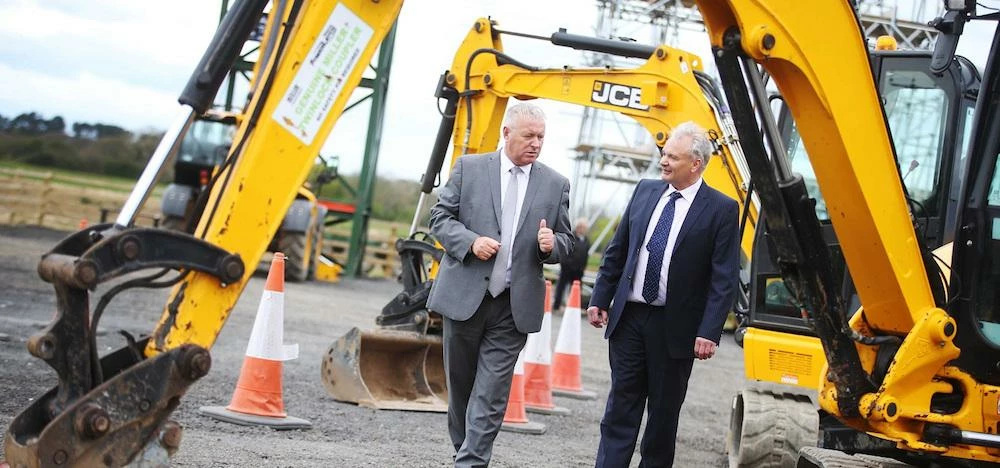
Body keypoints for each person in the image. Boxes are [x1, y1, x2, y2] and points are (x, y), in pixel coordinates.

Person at [426, 102, 573, 467]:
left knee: (491, 393)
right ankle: (464, 450)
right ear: (507, 133)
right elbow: (440, 218)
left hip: (513, 306)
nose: (536, 143)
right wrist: (470, 242)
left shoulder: (555, 184)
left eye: (541, 137)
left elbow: (567, 240)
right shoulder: (469, 169)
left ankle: (471, 462)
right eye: (529, 136)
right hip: (464, 297)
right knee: (461, 388)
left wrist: (552, 245)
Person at [586, 121, 739, 467]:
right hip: (630, 320)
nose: (664, 161)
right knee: (620, 407)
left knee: (662, 416)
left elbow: (724, 277)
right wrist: (599, 298)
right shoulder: (645, 190)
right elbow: (618, 249)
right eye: (664, 154)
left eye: (672, 156)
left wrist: (709, 331)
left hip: (676, 329)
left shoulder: (721, 209)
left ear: (695, 163)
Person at [552, 218, 591, 310]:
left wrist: (583, 267)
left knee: (576, 289)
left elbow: (585, 255)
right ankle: (556, 305)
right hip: (567, 268)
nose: (584, 230)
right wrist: (565, 264)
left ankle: (573, 307)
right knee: (561, 287)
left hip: (579, 270)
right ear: (578, 227)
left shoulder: (586, 241)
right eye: (582, 227)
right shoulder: (571, 237)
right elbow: (565, 252)